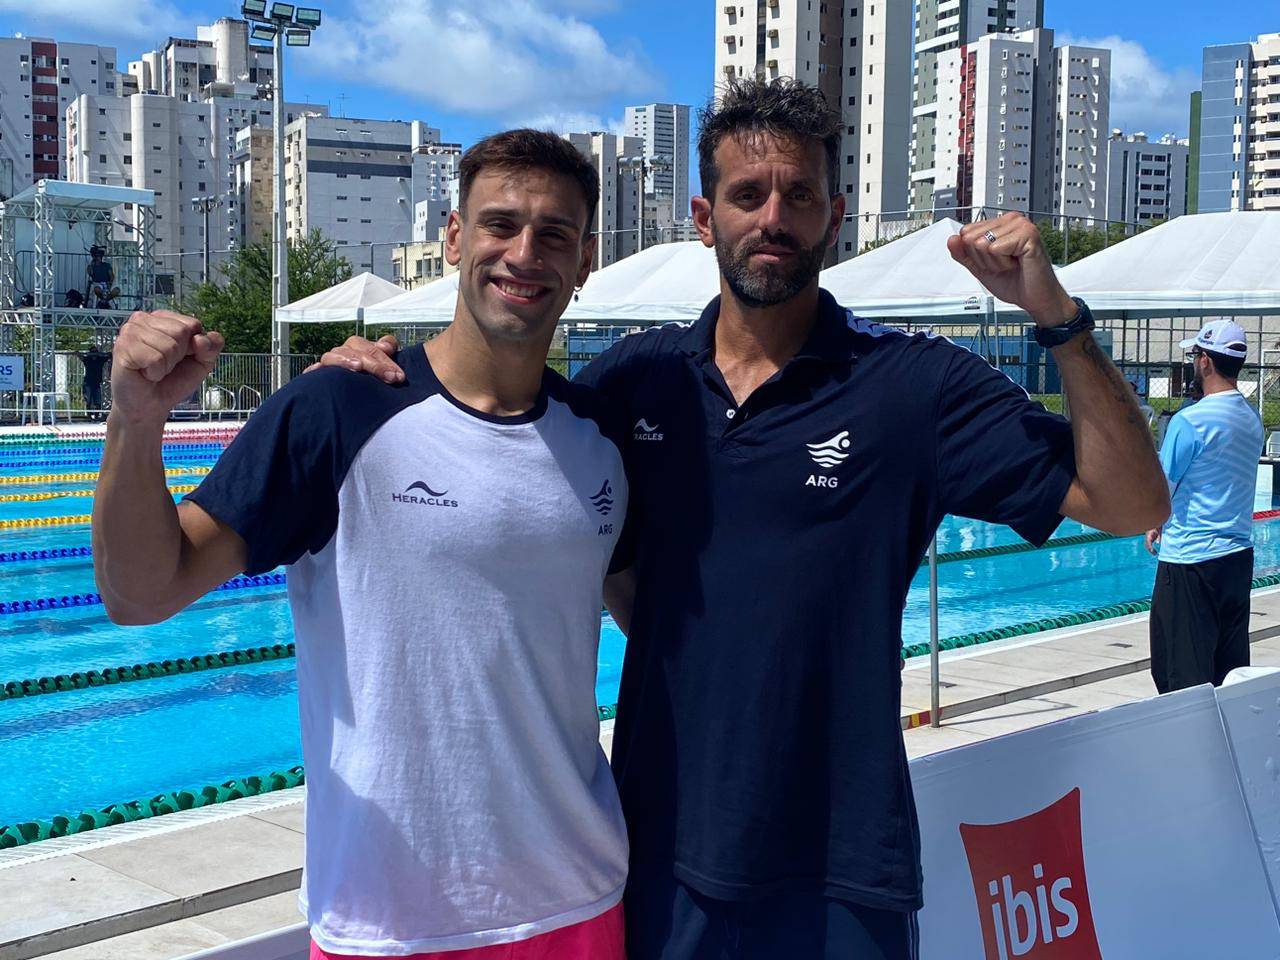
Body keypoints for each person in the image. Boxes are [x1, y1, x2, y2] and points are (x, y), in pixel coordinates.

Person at [315, 78, 1169, 960]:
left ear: (834, 215)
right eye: (747, 194)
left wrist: (1059, 320)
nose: (773, 217)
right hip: (656, 850)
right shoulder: (630, 384)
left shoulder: (915, 385)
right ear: (702, 215)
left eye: (799, 195)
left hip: (842, 863)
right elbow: (517, 460)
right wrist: (381, 369)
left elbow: (1134, 503)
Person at [92, 130, 632, 959]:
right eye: (499, 224)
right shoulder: (337, 411)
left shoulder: (600, 440)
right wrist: (136, 421)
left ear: (586, 256)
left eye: (554, 233)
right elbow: (142, 592)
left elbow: (656, 618)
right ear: (453, 238)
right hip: (390, 920)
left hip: (580, 902)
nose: (524, 253)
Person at [1144, 319, 1264, 693]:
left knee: (1180, 677)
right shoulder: (1251, 419)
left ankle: (1188, 750)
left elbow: (1159, 488)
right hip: (1236, 559)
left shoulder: (1190, 422)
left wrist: (1153, 522)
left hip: (1190, 562)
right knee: (1227, 673)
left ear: (1206, 362)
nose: (1194, 363)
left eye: (1195, 355)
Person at [75, 341, 111, 421]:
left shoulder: (99, 360)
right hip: (88, 383)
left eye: (95, 352)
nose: (94, 354)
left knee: (97, 400)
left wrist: (109, 353)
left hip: (97, 383)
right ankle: (89, 416)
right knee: (88, 400)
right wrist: (77, 353)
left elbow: (108, 356)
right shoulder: (88, 360)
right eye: (93, 352)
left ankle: (97, 416)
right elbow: (81, 357)